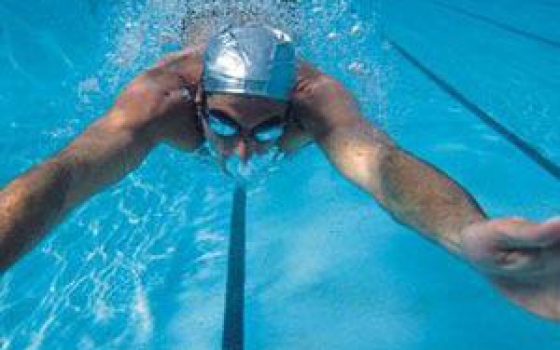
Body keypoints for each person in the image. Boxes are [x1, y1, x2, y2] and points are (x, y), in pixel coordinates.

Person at [0, 25, 558, 320]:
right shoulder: (158, 99)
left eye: (266, 130)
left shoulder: (317, 99)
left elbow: (381, 163)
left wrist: (465, 233)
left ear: (291, 106)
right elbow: (70, 173)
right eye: (222, 126)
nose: (243, 154)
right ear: (197, 99)